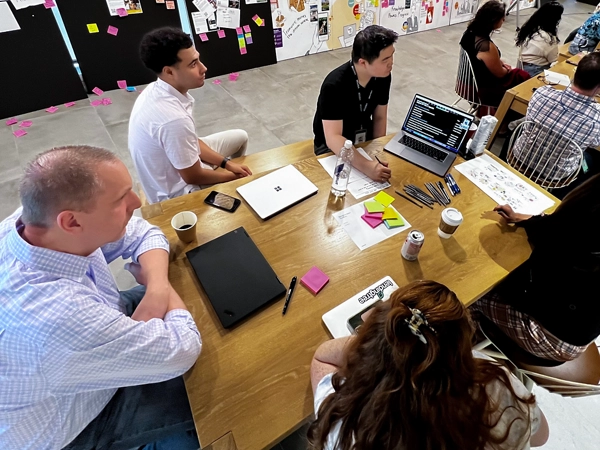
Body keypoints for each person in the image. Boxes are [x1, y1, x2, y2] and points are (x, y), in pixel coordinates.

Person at [0, 146, 202, 449]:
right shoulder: (57, 314)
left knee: (198, 294)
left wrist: (157, 288)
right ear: (71, 222)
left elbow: (145, 233)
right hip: (78, 422)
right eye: (121, 200)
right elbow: (183, 349)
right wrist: (158, 288)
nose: (136, 202)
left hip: (95, 330)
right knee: (224, 389)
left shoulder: (36, 224)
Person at [309, 281, 549, 449]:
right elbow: (541, 437)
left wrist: (370, 339)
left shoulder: (347, 427)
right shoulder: (498, 386)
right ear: (461, 353)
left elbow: (322, 356)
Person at [472, 173, 600, 381]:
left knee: (472, 292)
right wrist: (530, 220)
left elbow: (556, 231)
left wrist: (533, 222)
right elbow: (555, 227)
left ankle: (449, 357)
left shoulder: (574, 234)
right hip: (576, 330)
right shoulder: (583, 233)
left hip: (552, 337)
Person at [129, 27, 252, 204]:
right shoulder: (172, 119)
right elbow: (192, 176)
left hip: (179, 164)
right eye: (193, 64)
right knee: (237, 188)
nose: (204, 68)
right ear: (169, 72)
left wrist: (227, 164)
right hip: (177, 192)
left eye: (198, 59)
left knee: (240, 136)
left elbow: (192, 141)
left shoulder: (157, 89)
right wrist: (230, 178)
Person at [312, 25, 397, 183]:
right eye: (385, 59)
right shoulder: (334, 84)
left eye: (392, 55)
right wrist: (367, 166)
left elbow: (379, 118)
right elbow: (332, 138)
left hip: (364, 139)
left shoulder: (383, 76)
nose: (391, 63)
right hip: (332, 148)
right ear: (363, 63)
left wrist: (377, 152)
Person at [508, 52, 600, 192]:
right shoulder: (596, 119)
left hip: (519, 158)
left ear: (576, 72)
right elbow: (595, 143)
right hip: (553, 177)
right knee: (593, 159)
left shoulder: (542, 93)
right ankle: (562, 199)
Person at [460, 0, 530, 108]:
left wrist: (499, 62)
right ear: (493, 20)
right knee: (521, 75)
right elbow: (500, 74)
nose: (504, 20)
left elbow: (480, 60)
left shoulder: (469, 32)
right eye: (502, 18)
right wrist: (507, 69)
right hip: (478, 90)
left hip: (464, 81)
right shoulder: (485, 46)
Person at [515, 1, 564, 77]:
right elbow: (553, 59)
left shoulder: (530, 28)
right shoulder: (548, 38)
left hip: (522, 65)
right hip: (535, 69)